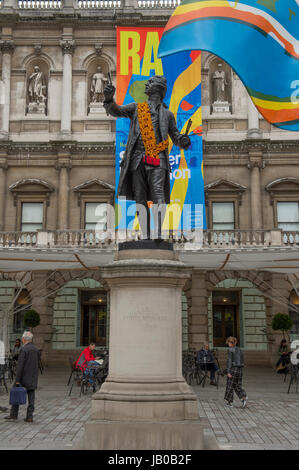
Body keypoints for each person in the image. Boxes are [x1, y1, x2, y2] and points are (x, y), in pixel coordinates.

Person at [103, 75, 191, 239]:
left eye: (150, 82)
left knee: (159, 195)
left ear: (157, 88)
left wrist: (184, 141)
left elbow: (176, 137)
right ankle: (145, 235)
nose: (147, 84)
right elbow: (117, 110)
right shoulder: (136, 108)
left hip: (158, 159)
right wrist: (109, 99)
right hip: (137, 160)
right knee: (140, 198)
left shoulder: (167, 114)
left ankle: (158, 233)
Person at [4, 331, 40, 422]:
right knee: (31, 396)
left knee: (16, 392)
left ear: (24, 339)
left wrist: (17, 380)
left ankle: (13, 415)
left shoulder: (24, 350)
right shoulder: (36, 349)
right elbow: (37, 363)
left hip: (23, 377)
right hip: (33, 376)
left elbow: (20, 366)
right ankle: (30, 416)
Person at [224, 336, 248, 408]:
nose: (228, 344)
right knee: (237, 385)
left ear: (231, 343)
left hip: (233, 369)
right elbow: (242, 361)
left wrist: (228, 371)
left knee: (230, 385)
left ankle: (230, 402)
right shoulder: (240, 350)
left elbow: (229, 361)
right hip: (240, 370)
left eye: (228, 342)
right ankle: (243, 397)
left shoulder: (230, 350)